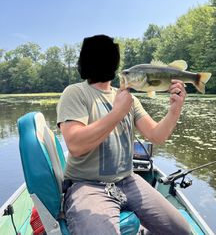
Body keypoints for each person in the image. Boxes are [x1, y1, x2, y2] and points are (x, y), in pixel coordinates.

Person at [57, 34, 190, 235]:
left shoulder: (130, 99)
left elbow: (156, 136)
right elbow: (75, 145)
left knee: (181, 231)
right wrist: (118, 112)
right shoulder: (75, 93)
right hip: (87, 185)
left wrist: (175, 109)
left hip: (128, 180)